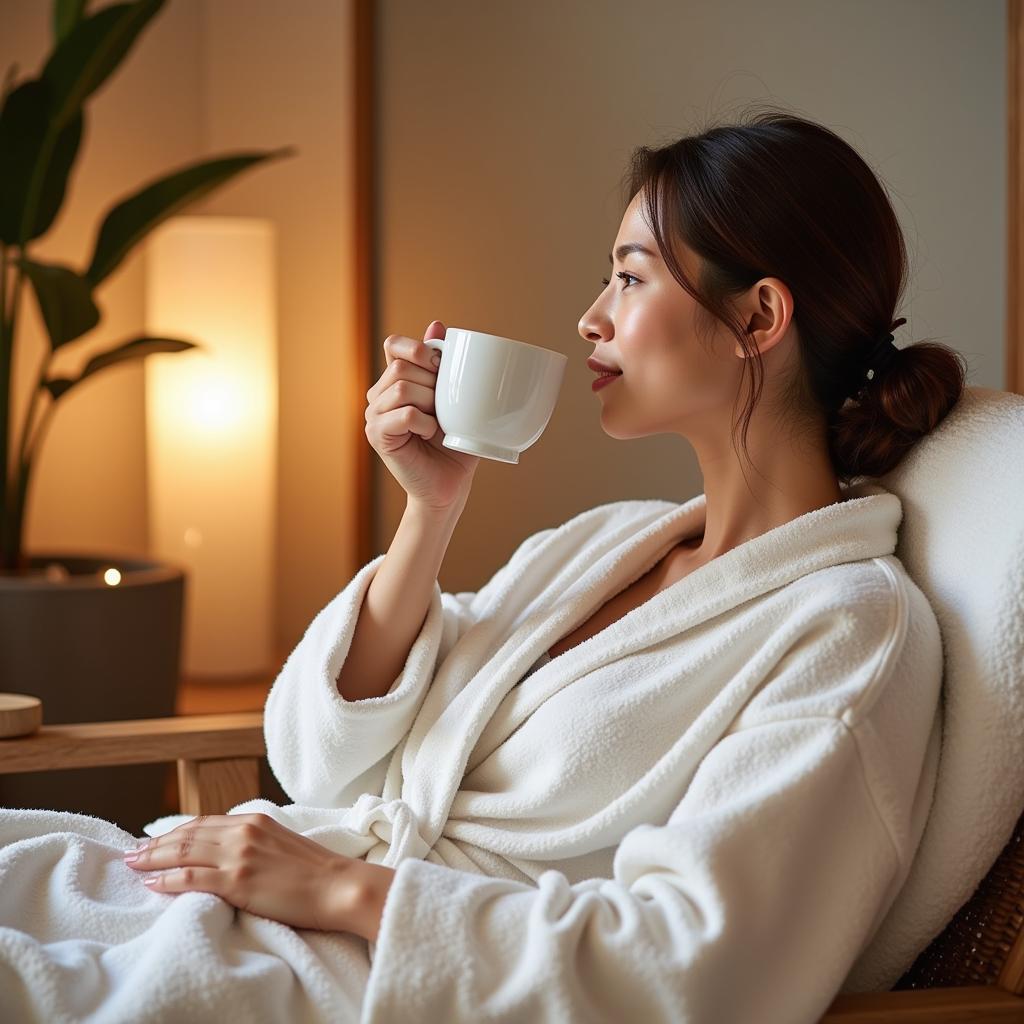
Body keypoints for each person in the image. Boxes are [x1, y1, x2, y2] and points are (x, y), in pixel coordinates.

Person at [0, 107, 966, 1024]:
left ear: (759, 318)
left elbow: (692, 967)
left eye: (630, 279)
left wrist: (334, 884)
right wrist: (431, 507)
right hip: (246, 898)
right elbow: (321, 764)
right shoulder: (605, 544)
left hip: (373, 977)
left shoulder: (849, 629)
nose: (591, 318)